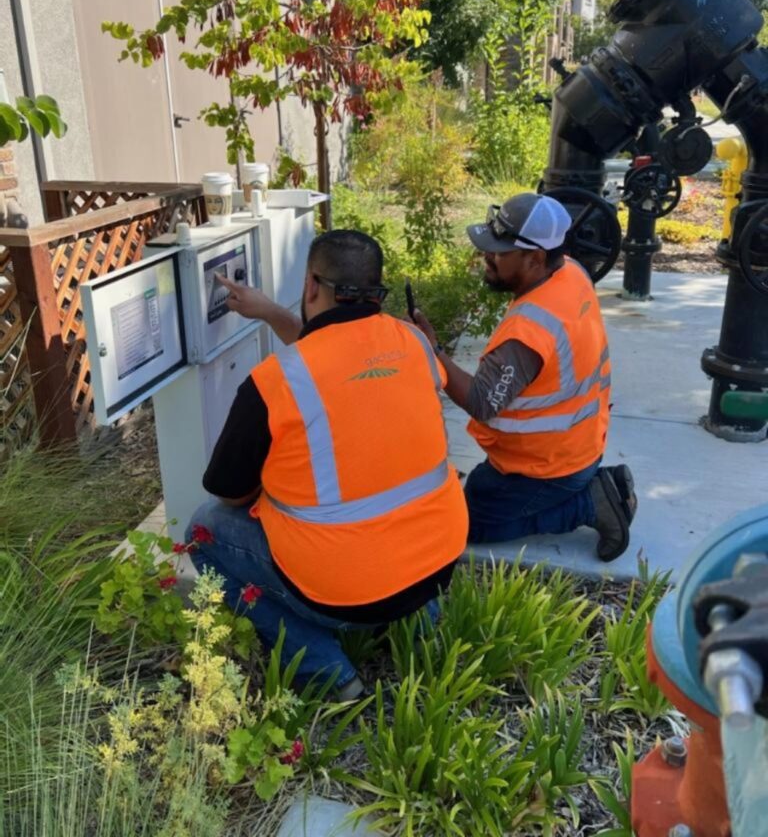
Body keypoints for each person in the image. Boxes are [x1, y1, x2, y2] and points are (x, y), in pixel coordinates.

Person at [185, 229, 468, 697]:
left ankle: (327, 674)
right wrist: (272, 313)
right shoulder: (415, 344)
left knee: (204, 528)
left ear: (311, 287)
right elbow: (350, 364)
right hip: (435, 568)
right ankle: (422, 631)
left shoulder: (271, 384)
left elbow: (231, 493)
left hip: (342, 596)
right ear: (377, 288)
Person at [413, 192, 637, 562]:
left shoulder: (529, 330)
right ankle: (598, 484)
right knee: (478, 491)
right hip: (574, 446)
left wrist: (432, 352)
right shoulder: (571, 272)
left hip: (546, 468)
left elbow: (483, 402)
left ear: (535, 259)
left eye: (500, 252)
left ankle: (590, 504)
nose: (487, 256)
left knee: (466, 526)